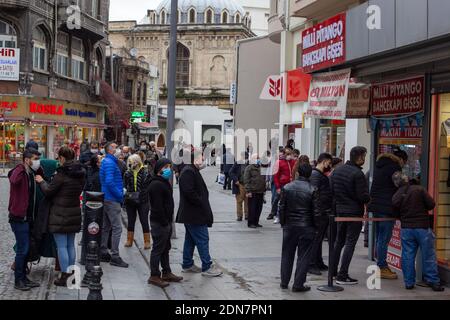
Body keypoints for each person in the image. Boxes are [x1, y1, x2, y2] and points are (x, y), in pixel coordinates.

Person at [35, 147, 85, 286]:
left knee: (61, 246)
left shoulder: (62, 174)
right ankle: (72, 275)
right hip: (74, 212)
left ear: (62, 158)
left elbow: (49, 192)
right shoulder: (80, 173)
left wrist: (41, 181)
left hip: (60, 214)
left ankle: (65, 276)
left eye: (59, 158)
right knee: (70, 245)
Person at [392, 174, 444, 292]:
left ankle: (409, 282)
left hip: (406, 229)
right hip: (422, 227)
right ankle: (433, 281)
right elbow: (431, 204)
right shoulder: (419, 189)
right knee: (429, 255)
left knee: (407, 255)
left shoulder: (397, 195)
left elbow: (394, 209)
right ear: (407, 179)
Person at [177, 149, 222, 277]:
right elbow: (189, 192)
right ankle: (207, 266)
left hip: (193, 213)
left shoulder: (191, 170)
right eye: (201, 157)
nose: (203, 159)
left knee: (190, 239)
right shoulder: (188, 171)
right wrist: (200, 201)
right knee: (202, 238)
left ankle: (187, 264)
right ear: (195, 158)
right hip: (194, 213)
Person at [330, 146, 370, 285]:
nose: (364, 159)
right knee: (350, 243)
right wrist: (368, 198)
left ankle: (333, 272)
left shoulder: (337, 171)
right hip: (353, 213)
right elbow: (362, 196)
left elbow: (332, 191)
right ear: (359, 157)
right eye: (364, 156)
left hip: (340, 211)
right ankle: (343, 274)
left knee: (338, 242)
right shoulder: (357, 174)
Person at [279, 163, 319, 292]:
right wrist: (316, 227)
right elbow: (316, 212)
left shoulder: (287, 187)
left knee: (287, 254)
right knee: (304, 256)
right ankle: (298, 284)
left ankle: (284, 281)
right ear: (310, 174)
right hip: (306, 226)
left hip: (290, 226)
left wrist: (283, 223)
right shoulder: (313, 189)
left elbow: (282, 208)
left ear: (298, 173)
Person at [369, 150, 408, 280]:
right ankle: (382, 266)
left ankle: (380, 264)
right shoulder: (394, 167)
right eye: (404, 163)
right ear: (401, 159)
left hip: (376, 205)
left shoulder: (380, 165)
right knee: (384, 239)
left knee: (379, 236)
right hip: (386, 207)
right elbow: (401, 183)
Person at [8, 149, 43, 291]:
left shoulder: (31, 172)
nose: (37, 161)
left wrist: (35, 168)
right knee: (22, 250)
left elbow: (42, 174)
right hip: (18, 217)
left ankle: (23, 278)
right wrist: (21, 166)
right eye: (35, 158)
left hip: (28, 217)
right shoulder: (20, 171)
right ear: (27, 159)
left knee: (26, 248)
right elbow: (13, 179)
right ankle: (18, 280)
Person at [147, 159, 183, 288]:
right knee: (158, 249)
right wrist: (164, 222)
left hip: (165, 221)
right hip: (159, 222)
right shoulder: (156, 184)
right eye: (166, 167)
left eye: (170, 166)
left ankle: (166, 272)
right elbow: (157, 207)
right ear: (159, 169)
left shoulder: (163, 182)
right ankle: (154, 275)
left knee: (165, 248)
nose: (169, 169)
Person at [99, 142, 129, 268]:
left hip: (106, 197)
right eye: (115, 147)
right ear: (110, 150)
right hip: (112, 199)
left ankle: (103, 251)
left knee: (106, 226)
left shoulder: (106, 161)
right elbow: (110, 182)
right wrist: (120, 194)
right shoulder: (111, 163)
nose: (118, 149)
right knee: (117, 228)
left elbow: (104, 180)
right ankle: (115, 256)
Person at [308, 153, 333, 275]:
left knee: (319, 238)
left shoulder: (318, 175)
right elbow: (315, 195)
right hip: (320, 212)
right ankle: (311, 263)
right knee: (316, 239)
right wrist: (317, 212)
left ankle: (318, 261)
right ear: (324, 161)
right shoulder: (316, 175)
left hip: (323, 211)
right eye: (329, 162)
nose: (330, 165)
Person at [123, 154, 151, 249]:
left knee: (144, 220)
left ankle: (147, 241)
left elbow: (148, 187)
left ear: (138, 161)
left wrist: (144, 195)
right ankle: (129, 240)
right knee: (131, 220)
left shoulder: (146, 172)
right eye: (130, 162)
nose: (132, 164)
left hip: (143, 200)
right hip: (130, 200)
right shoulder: (127, 173)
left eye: (134, 162)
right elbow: (124, 186)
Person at [270, 148, 296, 224]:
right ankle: (278, 216)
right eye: (287, 154)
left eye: (290, 154)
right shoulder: (279, 162)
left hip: (292, 184)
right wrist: (277, 187)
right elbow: (276, 176)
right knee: (281, 201)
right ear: (284, 154)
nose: (289, 156)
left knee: (291, 201)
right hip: (283, 184)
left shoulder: (293, 162)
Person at [244, 154, 266, 229]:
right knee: (252, 208)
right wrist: (248, 191)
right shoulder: (249, 168)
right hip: (253, 191)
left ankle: (256, 222)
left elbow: (263, 179)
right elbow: (246, 180)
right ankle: (251, 223)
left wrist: (264, 190)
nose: (259, 159)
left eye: (259, 158)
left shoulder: (261, 167)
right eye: (257, 158)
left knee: (259, 208)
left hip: (260, 191)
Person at [229, 153, 249, 221]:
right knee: (239, 201)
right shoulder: (237, 163)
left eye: (246, 157)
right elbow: (231, 172)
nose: (245, 158)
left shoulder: (249, 164)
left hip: (247, 185)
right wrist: (236, 180)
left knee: (247, 200)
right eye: (244, 157)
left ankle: (247, 215)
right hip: (239, 184)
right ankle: (239, 216)